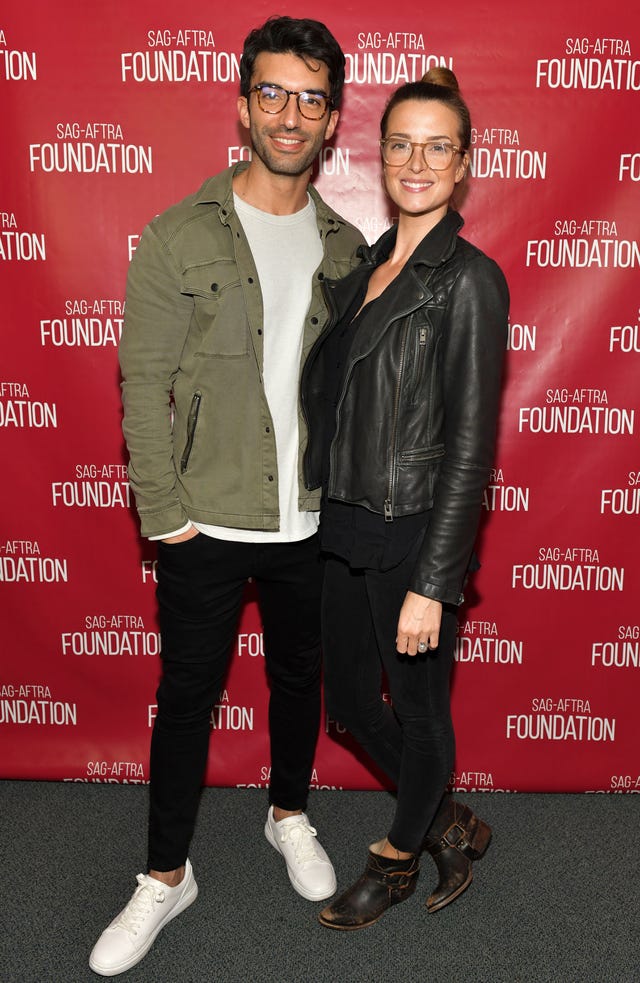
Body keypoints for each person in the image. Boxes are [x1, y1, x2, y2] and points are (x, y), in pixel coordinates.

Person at [89, 17, 365, 977]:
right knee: (187, 697)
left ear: (332, 119)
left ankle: (288, 811)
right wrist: (164, 513)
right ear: (245, 105)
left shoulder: (349, 247)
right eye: (274, 93)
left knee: (299, 676)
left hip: (312, 515)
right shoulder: (178, 234)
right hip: (202, 516)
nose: (291, 114)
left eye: (312, 98)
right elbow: (142, 383)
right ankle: (166, 874)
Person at [301, 67, 509, 930]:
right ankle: (449, 822)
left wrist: (434, 579)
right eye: (401, 145)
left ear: (464, 163)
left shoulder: (468, 280)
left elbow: (470, 447)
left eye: (437, 147)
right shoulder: (366, 266)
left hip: (413, 530)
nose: (416, 163)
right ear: (380, 155)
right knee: (350, 705)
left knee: (419, 713)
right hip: (343, 522)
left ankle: (395, 857)